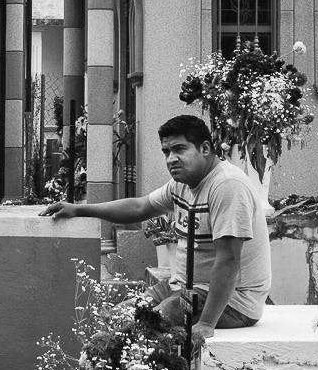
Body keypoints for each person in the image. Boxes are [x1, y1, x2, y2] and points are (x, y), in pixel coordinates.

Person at [45, 114, 271, 348]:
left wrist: (206, 324)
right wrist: (78, 210)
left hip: (233, 301)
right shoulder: (182, 184)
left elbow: (230, 259)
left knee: (152, 321)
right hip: (184, 289)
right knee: (118, 316)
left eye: (180, 149)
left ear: (205, 148)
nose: (171, 159)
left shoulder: (227, 186)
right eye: (166, 152)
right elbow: (139, 207)